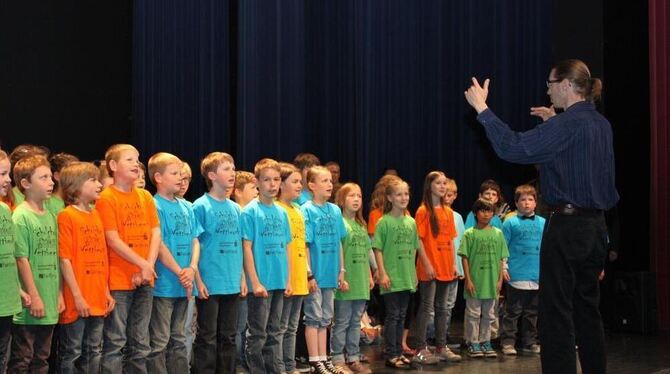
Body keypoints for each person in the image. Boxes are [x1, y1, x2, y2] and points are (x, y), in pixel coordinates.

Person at [464, 58, 619, 374]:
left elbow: (513, 147)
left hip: (568, 227)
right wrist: (552, 125)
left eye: (550, 85)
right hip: (596, 227)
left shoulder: (567, 125)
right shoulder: (600, 124)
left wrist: (483, 110)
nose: (547, 92)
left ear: (565, 85)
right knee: (587, 310)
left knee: (556, 314)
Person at [96, 144, 161, 373]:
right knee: (115, 341)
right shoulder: (106, 198)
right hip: (119, 280)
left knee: (140, 342)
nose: (136, 163)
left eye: (137, 159)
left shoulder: (144, 196)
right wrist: (142, 264)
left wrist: (148, 265)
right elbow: (112, 239)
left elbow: (155, 232)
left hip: (145, 277)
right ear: (113, 166)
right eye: (129, 159)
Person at [146, 153, 202, 373]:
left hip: (185, 282)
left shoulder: (187, 207)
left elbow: (195, 239)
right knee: (160, 340)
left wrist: (192, 268)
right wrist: (180, 271)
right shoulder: (153, 205)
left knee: (179, 337)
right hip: (165, 284)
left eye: (181, 173)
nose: (180, 178)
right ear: (158, 177)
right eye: (175, 173)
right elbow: (158, 244)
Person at [9, 155, 65, 373]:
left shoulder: (50, 215)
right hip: (31, 303)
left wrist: (59, 293)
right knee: (23, 358)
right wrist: (35, 296)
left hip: (50, 299)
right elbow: (21, 259)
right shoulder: (20, 217)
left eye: (51, 177)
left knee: (42, 358)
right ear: (25, 184)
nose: (51, 182)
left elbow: (55, 258)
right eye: (43, 178)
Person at [57, 162, 115, 374]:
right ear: (76, 186)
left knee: (93, 350)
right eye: (93, 180)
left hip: (97, 295)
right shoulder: (67, 216)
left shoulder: (96, 214)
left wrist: (106, 291)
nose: (99, 184)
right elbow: (65, 260)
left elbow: (102, 256)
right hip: (78, 297)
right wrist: (78, 296)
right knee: (72, 351)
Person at [192, 152, 246, 374]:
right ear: (212, 175)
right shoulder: (200, 206)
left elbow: (240, 244)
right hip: (209, 282)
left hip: (232, 280)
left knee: (229, 335)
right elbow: (194, 243)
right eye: (226, 169)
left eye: (233, 168)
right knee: (207, 336)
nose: (232, 173)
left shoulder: (236, 208)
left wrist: (242, 277)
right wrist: (198, 280)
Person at [241, 158, 292, 374]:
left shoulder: (282, 212)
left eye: (276, 180)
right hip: (261, 282)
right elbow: (246, 249)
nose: (272, 184)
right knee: (258, 333)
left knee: (275, 331)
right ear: (257, 182)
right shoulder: (250, 212)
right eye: (267, 180)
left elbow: (286, 247)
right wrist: (254, 282)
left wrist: (288, 279)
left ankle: (274, 369)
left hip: (279, 281)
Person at [408, 171, 462, 363]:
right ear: (429, 186)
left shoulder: (448, 211)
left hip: (446, 266)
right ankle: (420, 348)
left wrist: (454, 264)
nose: (443, 186)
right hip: (430, 267)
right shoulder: (423, 211)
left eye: (444, 183)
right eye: (439, 183)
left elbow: (450, 240)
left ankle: (441, 346)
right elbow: (419, 240)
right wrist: (427, 263)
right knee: (427, 307)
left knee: (443, 308)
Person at [300, 166, 348, 374]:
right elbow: (305, 244)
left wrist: (342, 269)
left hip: (330, 273)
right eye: (324, 181)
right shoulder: (306, 210)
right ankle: (314, 360)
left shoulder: (335, 210)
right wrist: (309, 273)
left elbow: (338, 241)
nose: (330, 184)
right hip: (316, 274)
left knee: (326, 317)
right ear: (311, 185)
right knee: (313, 315)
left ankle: (324, 357)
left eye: (331, 181)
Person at [373, 179, 419, 369]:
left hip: (406, 275)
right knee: (393, 315)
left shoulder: (411, 221)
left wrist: (414, 273)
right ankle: (391, 353)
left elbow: (415, 247)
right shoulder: (384, 222)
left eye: (406, 194)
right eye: (399, 194)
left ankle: (399, 351)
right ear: (390, 198)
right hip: (391, 276)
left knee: (402, 315)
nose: (403, 198)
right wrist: (382, 273)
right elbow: (378, 249)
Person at [331, 183, 374, 374]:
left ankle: (353, 357)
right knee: (341, 321)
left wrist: (371, 273)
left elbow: (366, 250)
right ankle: (337, 358)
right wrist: (341, 275)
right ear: (341, 200)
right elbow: (337, 252)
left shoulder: (361, 224)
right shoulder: (339, 222)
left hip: (360, 280)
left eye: (359, 196)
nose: (356, 199)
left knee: (356, 321)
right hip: (346, 280)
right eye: (351, 196)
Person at [458, 199, 509, 360]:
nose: (486, 214)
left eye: (489, 211)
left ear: (493, 213)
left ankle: (485, 341)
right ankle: (473, 342)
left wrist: (500, 279)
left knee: (489, 314)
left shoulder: (498, 234)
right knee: (473, 313)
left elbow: (502, 258)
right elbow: (464, 257)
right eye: (482, 210)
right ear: (475, 213)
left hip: (492, 281)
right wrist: (468, 279)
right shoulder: (469, 234)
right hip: (476, 281)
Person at [501, 184, 545, 356]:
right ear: (516, 203)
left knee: (532, 312)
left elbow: (546, 249)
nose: (527, 203)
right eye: (523, 200)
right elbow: (503, 247)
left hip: (536, 274)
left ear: (535, 203)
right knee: (512, 311)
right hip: (516, 273)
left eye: (530, 199)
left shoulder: (543, 223)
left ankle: (529, 342)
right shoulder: (510, 222)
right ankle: (508, 342)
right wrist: (503, 267)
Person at [276, 163, 309, 374]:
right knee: (280, 327)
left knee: (291, 327)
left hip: (299, 275)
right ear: (281, 184)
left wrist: (308, 272)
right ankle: (281, 366)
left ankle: (290, 365)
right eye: (295, 182)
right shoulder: (278, 209)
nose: (300, 185)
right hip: (285, 276)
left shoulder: (297, 210)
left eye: (300, 181)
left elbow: (302, 245)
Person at [0, 151, 29, 373]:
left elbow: (9, 254)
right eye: (2, 174)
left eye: (7, 173)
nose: (9, 180)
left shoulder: (4, 210)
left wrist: (18, 289)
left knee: (3, 357)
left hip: (6, 300)